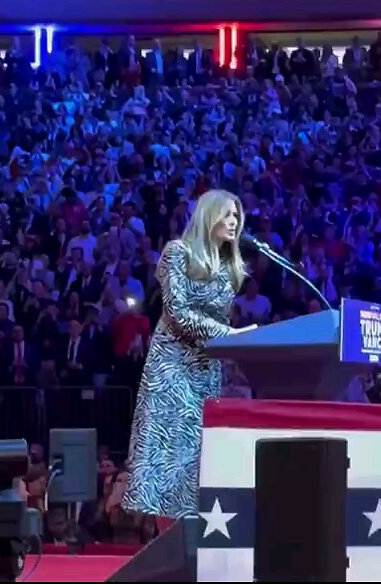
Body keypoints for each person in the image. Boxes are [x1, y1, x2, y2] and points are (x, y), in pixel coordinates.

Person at [123, 189, 254, 519]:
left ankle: (185, 548)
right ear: (208, 216)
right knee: (166, 455)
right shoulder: (177, 254)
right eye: (227, 214)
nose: (234, 222)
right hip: (171, 367)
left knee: (194, 457)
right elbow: (178, 313)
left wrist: (234, 340)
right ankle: (165, 549)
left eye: (237, 216)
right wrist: (229, 335)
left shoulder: (229, 268)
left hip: (206, 368)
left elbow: (221, 320)